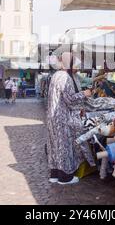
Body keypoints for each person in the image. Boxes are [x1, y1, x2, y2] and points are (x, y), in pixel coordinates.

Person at [47, 52, 95, 185]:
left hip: (53, 117)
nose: (77, 68)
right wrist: (84, 94)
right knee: (65, 146)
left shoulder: (56, 75)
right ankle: (65, 177)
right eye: (75, 65)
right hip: (62, 118)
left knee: (55, 146)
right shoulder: (65, 77)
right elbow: (70, 99)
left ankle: (55, 174)